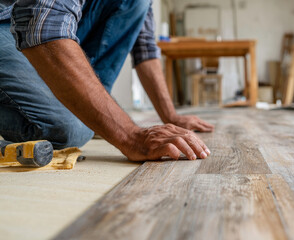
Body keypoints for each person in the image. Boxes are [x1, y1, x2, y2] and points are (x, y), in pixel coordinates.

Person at [0, 0, 214, 161]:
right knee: (72, 129)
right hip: (8, 20)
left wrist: (171, 116)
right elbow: (42, 25)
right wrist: (131, 137)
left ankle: (91, 110)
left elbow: (144, 46)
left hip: (31, 22)